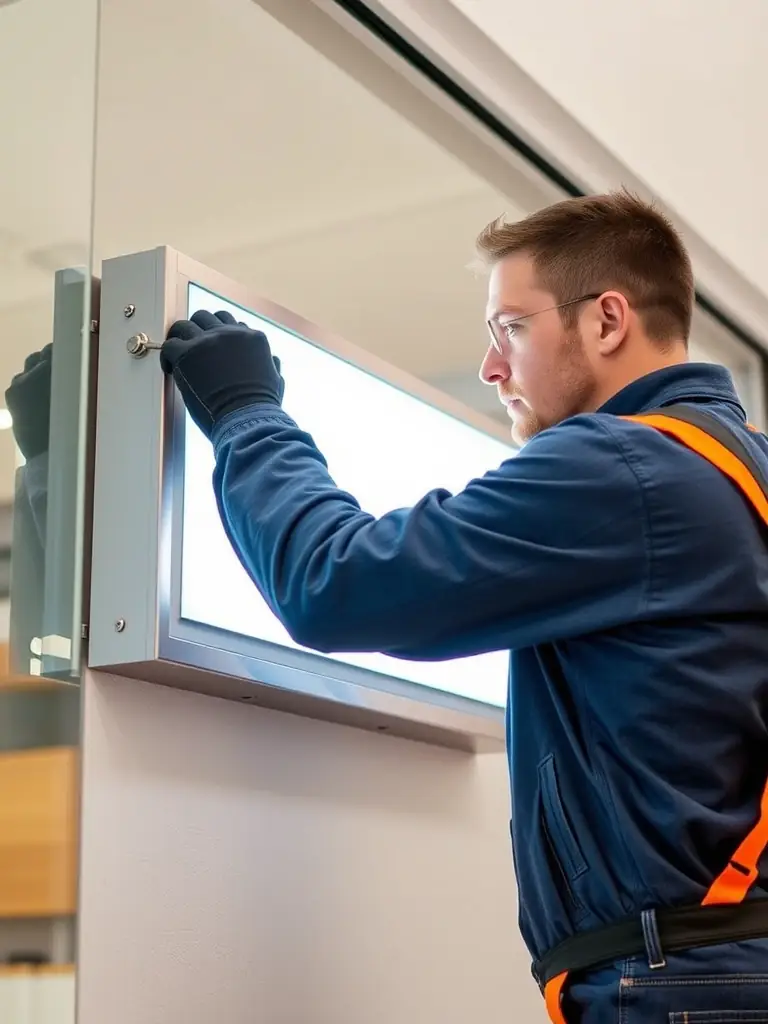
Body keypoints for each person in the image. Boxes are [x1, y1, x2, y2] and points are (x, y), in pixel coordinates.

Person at [161, 191, 768, 1023]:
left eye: (510, 328)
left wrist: (244, 413)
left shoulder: (625, 467)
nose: (491, 367)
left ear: (607, 320)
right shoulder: (742, 472)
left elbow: (336, 582)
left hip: (676, 977)